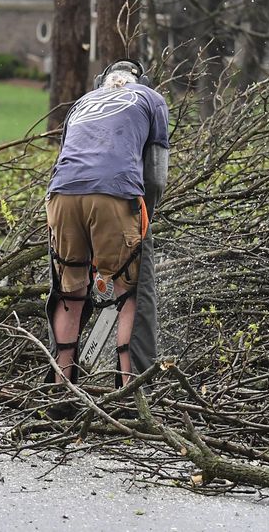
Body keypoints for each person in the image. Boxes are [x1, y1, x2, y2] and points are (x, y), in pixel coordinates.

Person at [44, 59, 170, 388]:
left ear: (103, 81)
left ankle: (60, 390)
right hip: (114, 194)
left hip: (61, 196)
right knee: (130, 292)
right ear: (141, 80)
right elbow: (155, 177)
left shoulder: (83, 102)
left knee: (70, 293)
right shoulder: (151, 99)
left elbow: (65, 158)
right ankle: (129, 394)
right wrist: (143, 223)